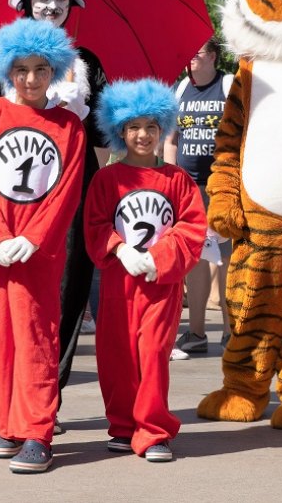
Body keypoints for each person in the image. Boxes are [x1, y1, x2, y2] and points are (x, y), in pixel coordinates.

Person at [0, 0, 108, 436]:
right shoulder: (0, 62)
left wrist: (82, 111)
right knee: (3, 292)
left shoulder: (87, 62)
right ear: (26, 1)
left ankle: (47, 397)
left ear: (72, 4)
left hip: (69, 188)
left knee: (64, 293)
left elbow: (102, 136)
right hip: (8, 196)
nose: (51, 4)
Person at [0, 18, 86, 474]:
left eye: (40, 69)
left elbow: (66, 190)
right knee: (0, 336)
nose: (30, 79)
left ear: (53, 72)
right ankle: (11, 423)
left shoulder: (69, 126)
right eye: (21, 69)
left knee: (36, 334)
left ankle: (38, 430)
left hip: (38, 249)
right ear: (7, 72)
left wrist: (32, 238)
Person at [85, 78, 205, 461]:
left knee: (153, 354)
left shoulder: (178, 179)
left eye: (151, 126)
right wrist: (119, 250)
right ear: (120, 130)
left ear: (162, 129)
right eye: (134, 127)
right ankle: (122, 425)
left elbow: (191, 227)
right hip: (118, 285)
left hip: (161, 285)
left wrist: (160, 257)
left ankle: (153, 431)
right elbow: (96, 224)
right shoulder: (106, 179)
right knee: (116, 355)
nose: (142, 134)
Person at [163, 36, 232, 360]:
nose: (192, 58)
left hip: (224, 185)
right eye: (189, 52)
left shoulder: (229, 86)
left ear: (214, 56)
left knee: (229, 257)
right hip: (190, 187)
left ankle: (233, 332)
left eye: (199, 52)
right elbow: (171, 140)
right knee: (197, 257)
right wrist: (171, 176)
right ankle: (197, 331)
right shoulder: (179, 90)